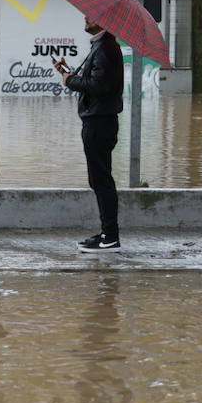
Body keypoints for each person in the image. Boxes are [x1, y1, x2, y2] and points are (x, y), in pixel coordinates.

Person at [54, 17, 124, 252]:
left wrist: (70, 81)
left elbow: (100, 87)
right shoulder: (101, 45)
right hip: (98, 120)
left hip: (99, 122)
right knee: (99, 180)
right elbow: (97, 82)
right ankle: (107, 233)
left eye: (91, 15)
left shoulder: (106, 48)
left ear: (104, 21)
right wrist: (68, 73)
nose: (84, 16)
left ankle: (111, 238)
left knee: (102, 180)